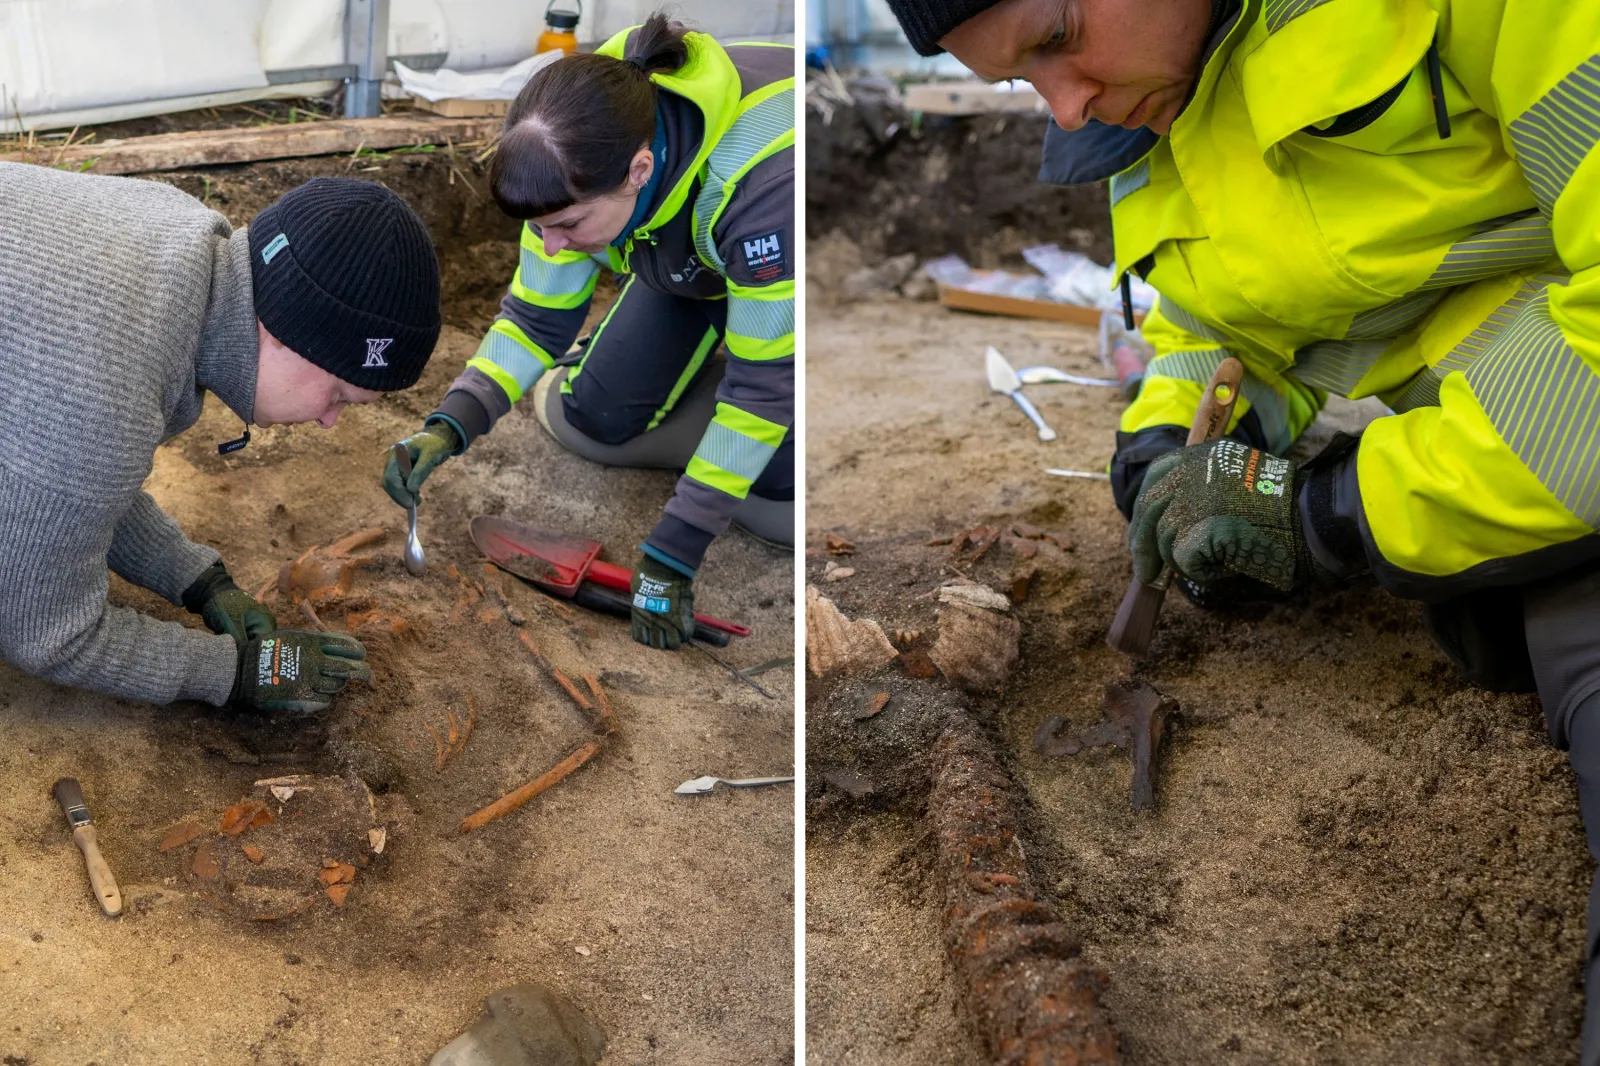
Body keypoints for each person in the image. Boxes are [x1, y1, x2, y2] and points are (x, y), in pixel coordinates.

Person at [882, 0, 1600, 1055]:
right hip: (1503, 440)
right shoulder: (1155, 85)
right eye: (1022, 83)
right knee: (1506, 619)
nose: (1066, 107)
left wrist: (1333, 515)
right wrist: (1166, 442)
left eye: (1055, 36)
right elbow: (1220, 317)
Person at [383, 13, 795, 651]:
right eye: (543, 227)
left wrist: (673, 553)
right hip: (688, 265)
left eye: (569, 226)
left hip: (793, 272)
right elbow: (534, 318)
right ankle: (714, 403)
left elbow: (763, 392)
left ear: (638, 170)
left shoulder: (765, 186)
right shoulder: (569, 149)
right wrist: (450, 423)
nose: (552, 246)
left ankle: (738, 383)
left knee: (781, 500)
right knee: (590, 420)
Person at [0, 165, 442, 714]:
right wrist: (233, 672)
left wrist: (194, 577)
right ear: (292, 333)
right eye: (338, 397)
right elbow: (46, 634)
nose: (331, 422)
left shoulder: (179, 236)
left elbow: (57, 483)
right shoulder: (108, 381)